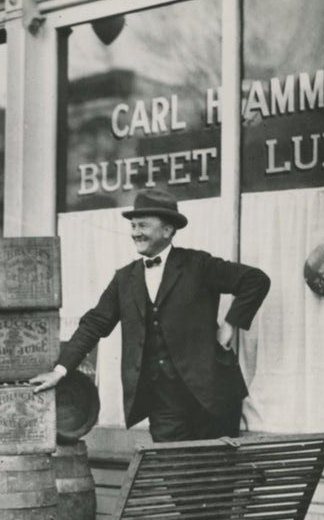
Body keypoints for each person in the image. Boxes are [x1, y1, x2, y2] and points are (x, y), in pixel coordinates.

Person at [31, 188, 270, 442]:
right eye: (133, 226)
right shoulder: (125, 279)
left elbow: (255, 280)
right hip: (163, 402)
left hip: (213, 398)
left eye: (142, 225)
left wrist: (230, 326)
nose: (135, 232)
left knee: (215, 477)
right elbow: (94, 324)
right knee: (170, 472)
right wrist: (60, 370)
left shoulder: (198, 265)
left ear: (167, 230)